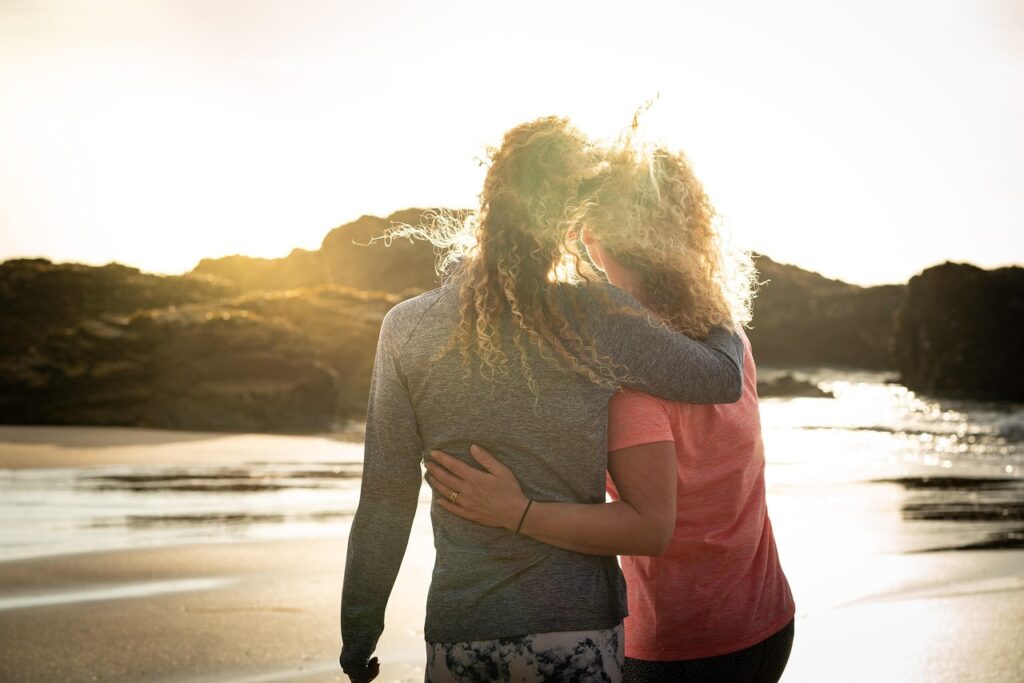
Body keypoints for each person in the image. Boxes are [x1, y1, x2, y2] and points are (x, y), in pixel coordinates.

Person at [339, 117, 748, 683]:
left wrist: (359, 632)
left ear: (488, 203)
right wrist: (710, 292)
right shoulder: (594, 317)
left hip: (464, 631)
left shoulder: (406, 328)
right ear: (570, 216)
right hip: (576, 632)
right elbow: (721, 378)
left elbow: (386, 497)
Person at [425, 142, 795, 682]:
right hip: (769, 622)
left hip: (680, 647)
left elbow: (648, 529)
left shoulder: (625, 376)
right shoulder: (727, 337)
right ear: (689, 230)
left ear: (592, 236)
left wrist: (518, 512)